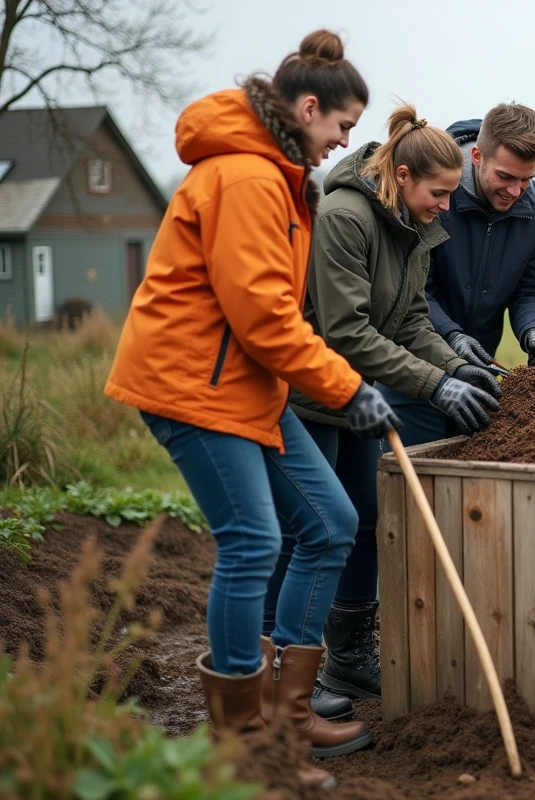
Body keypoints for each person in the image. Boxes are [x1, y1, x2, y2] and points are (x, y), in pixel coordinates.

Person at [104, 30, 396, 788]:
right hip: (191, 385)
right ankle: (245, 741)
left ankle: (288, 716)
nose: (343, 143)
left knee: (330, 522)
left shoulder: (284, 176)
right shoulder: (245, 177)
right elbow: (263, 317)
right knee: (251, 543)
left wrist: (344, 383)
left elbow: (276, 318)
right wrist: (347, 389)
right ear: (307, 108)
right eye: (341, 127)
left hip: (244, 388)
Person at [263, 104, 501, 721]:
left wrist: (454, 366)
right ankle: (279, 670)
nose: (447, 206)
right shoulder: (345, 218)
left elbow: (412, 321)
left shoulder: (415, 226)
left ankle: (342, 655)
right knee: (306, 530)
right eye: (439, 193)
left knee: (363, 521)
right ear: (400, 174)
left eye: (451, 195)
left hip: (354, 399)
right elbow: (346, 330)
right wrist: (433, 386)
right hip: (306, 393)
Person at [383, 103, 535, 443]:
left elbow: (532, 289)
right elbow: (411, 290)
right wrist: (452, 335)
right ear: (476, 156)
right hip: (414, 378)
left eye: (526, 179)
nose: (515, 191)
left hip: (479, 381)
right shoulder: (429, 197)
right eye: (505, 176)